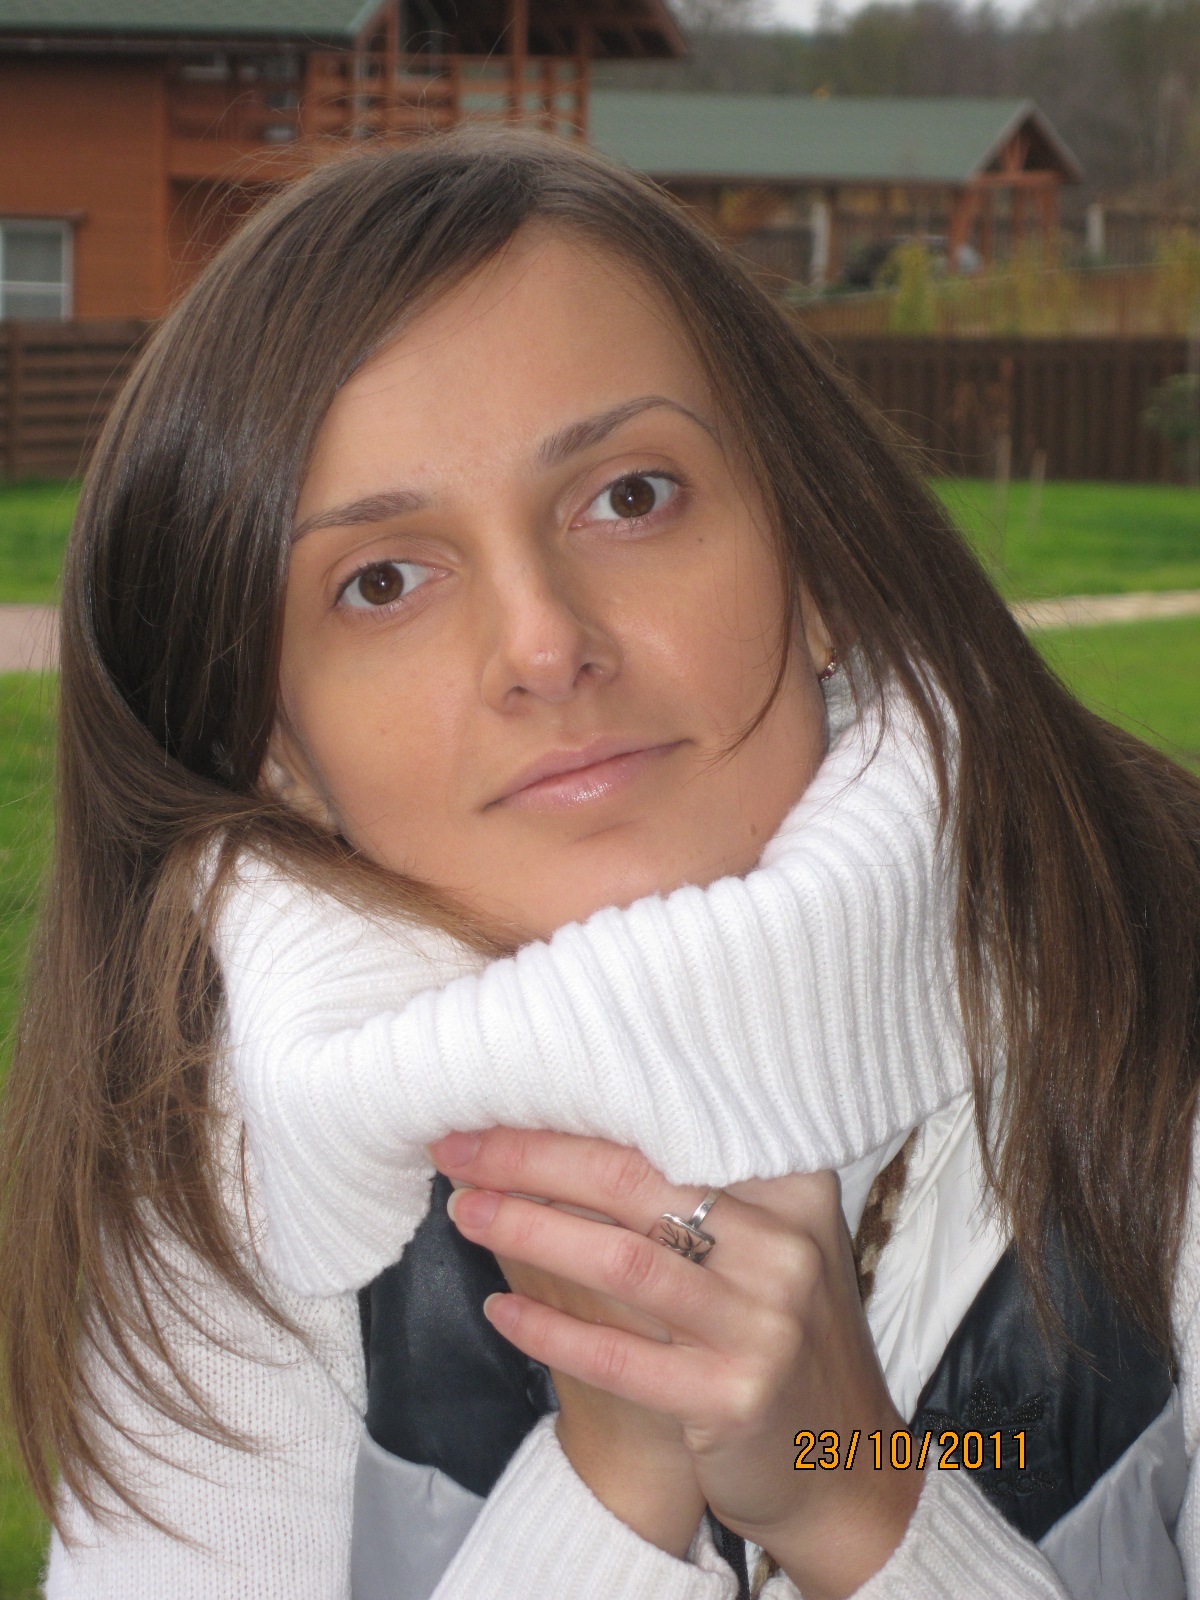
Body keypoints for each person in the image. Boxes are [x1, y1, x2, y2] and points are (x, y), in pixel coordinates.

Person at [1, 132, 1198, 1600]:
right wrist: (614, 1490)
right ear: (277, 746)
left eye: (629, 497)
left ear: (819, 562)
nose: (544, 643)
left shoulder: (1165, 1011)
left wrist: (855, 1499)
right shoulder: (233, 1144)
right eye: (383, 581)